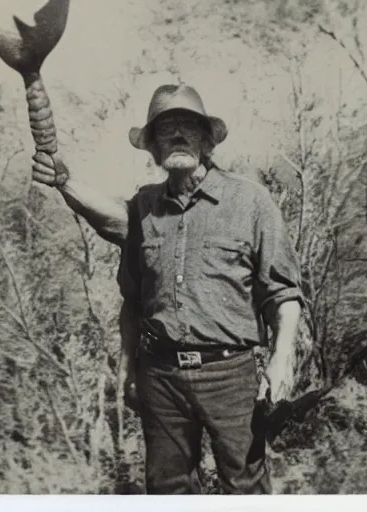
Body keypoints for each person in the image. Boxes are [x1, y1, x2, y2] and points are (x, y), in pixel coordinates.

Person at [32, 84, 304, 494]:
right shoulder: (144, 206)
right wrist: (63, 181)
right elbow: (132, 296)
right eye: (166, 128)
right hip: (160, 376)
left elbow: (284, 294)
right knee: (167, 489)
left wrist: (281, 361)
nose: (177, 135)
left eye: (188, 127)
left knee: (245, 487)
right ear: (153, 147)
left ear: (206, 139)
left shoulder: (250, 201)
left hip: (230, 376)